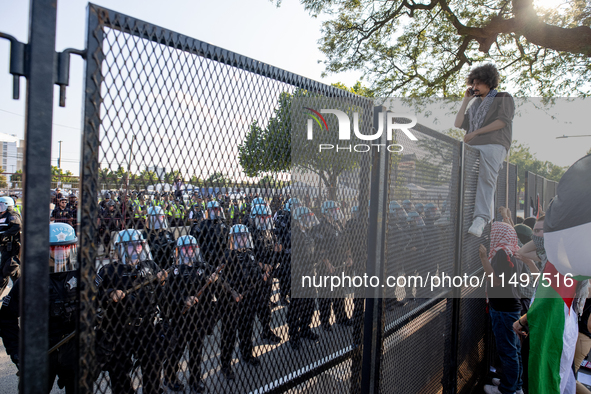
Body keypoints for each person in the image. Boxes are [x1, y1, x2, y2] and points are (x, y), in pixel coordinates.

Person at [0, 222, 78, 392]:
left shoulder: (82, 276)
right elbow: (6, 318)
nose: (61, 255)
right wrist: (17, 352)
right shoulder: (29, 281)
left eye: (66, 249)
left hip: (73, 347)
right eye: (55, 250)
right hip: (40, 349)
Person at [95, 229, 167, 394]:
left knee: (153, 364)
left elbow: (161, 296)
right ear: (120, 249)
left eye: (138, 245)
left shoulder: (150, 266)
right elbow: (92, 294)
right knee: (119, 371)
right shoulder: (108, 271)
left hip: (147, 325)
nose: (134, 250)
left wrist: (162, 283)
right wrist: (109, 293)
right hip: (120, 328)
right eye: (129, 247)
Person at [454, 63, 515, 237]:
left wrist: (475, 133)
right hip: (473, 145)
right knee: (460, 176)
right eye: (472, 84)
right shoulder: (473, 106)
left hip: (494, 144)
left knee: (486, 178)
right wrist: (466, 100)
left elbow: (503, 121)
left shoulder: (503, 97)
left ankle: (481, 218)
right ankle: (452, 212)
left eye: (478, 83)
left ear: (489, 82)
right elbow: (458, 123)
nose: (474, 87)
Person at [163, 235, 218, 393]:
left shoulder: (202, 266)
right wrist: (183, 300)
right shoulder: (174, 271)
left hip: (198, 318)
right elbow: (168, 296)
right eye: (186, 249)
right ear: (179, 251)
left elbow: (209, 290)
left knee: (196, 351)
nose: (189, 252)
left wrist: (212, 279)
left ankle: (195, 380)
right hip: (181, 319)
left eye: (192, 249)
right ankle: (169, 377)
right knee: (177, 350)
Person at [479, 222, 523, 394]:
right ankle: (515, 384)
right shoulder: (514, 250)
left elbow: (496, 280)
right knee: (514, 350)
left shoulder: (502, 253)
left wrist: (483, 258)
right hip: (512, 306)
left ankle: (507, 389)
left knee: (508, 351)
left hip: (503, 309)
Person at [219, 224, 262, 380]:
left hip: (247, 300)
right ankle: (225, 365)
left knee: (247, 329)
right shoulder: (227, 255)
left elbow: (255, 272)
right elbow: (221, 279)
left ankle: (246, 354)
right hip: (231, 303)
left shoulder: (250, 253)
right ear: (232, 239)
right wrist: (233, 292)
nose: (242, 239)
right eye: (238, 237)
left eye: (244, 236)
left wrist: (259, 276)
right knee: (229, 334)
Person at [247, 204, 282, 344]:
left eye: (266, 217)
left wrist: (277, 250)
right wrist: (263, 267)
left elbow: (273, 250)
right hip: (255, 276)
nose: (264, 220)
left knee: (265, 305)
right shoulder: (250, 233)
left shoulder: (268, 231)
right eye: (261, 217)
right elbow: (249, 256)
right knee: (251, 310)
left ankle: (266, 330)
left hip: (268, 275)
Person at [288, 206, 321, 350]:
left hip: (309, 273)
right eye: (306, 217)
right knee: (296, 307)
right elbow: (294, 258)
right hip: (299, 277)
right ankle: (294, 335)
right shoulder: (294, 234)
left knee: (310, 304)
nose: (309, 219)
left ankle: (305, 328)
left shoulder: (307, 233)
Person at [317, 200, 350, 330]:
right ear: (326, 213)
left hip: (339, 264)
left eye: (336, 210)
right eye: (333, 210)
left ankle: (341, 317)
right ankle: (325, 321)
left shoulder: (337, 224)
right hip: (327, 267)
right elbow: (321, 249)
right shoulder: (321, 226)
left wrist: (348, 256)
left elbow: (346, 241)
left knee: (339, 292)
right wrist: (328, 264)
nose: (336, 212)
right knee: (325, 294)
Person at [0, 196, 21, 297]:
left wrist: (5, 234)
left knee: (5, 272)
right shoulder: (2, 216)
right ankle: (22, 292)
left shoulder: (12, 214)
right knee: (14, 273)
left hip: (12, 248)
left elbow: (17, 225)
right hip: (4, 248)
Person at [144, 205, 175, 271]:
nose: (159, 221)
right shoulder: (145, 236)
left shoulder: (168, 234)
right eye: (156, 219)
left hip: (168, 266)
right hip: (153, 268)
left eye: (160, 218)